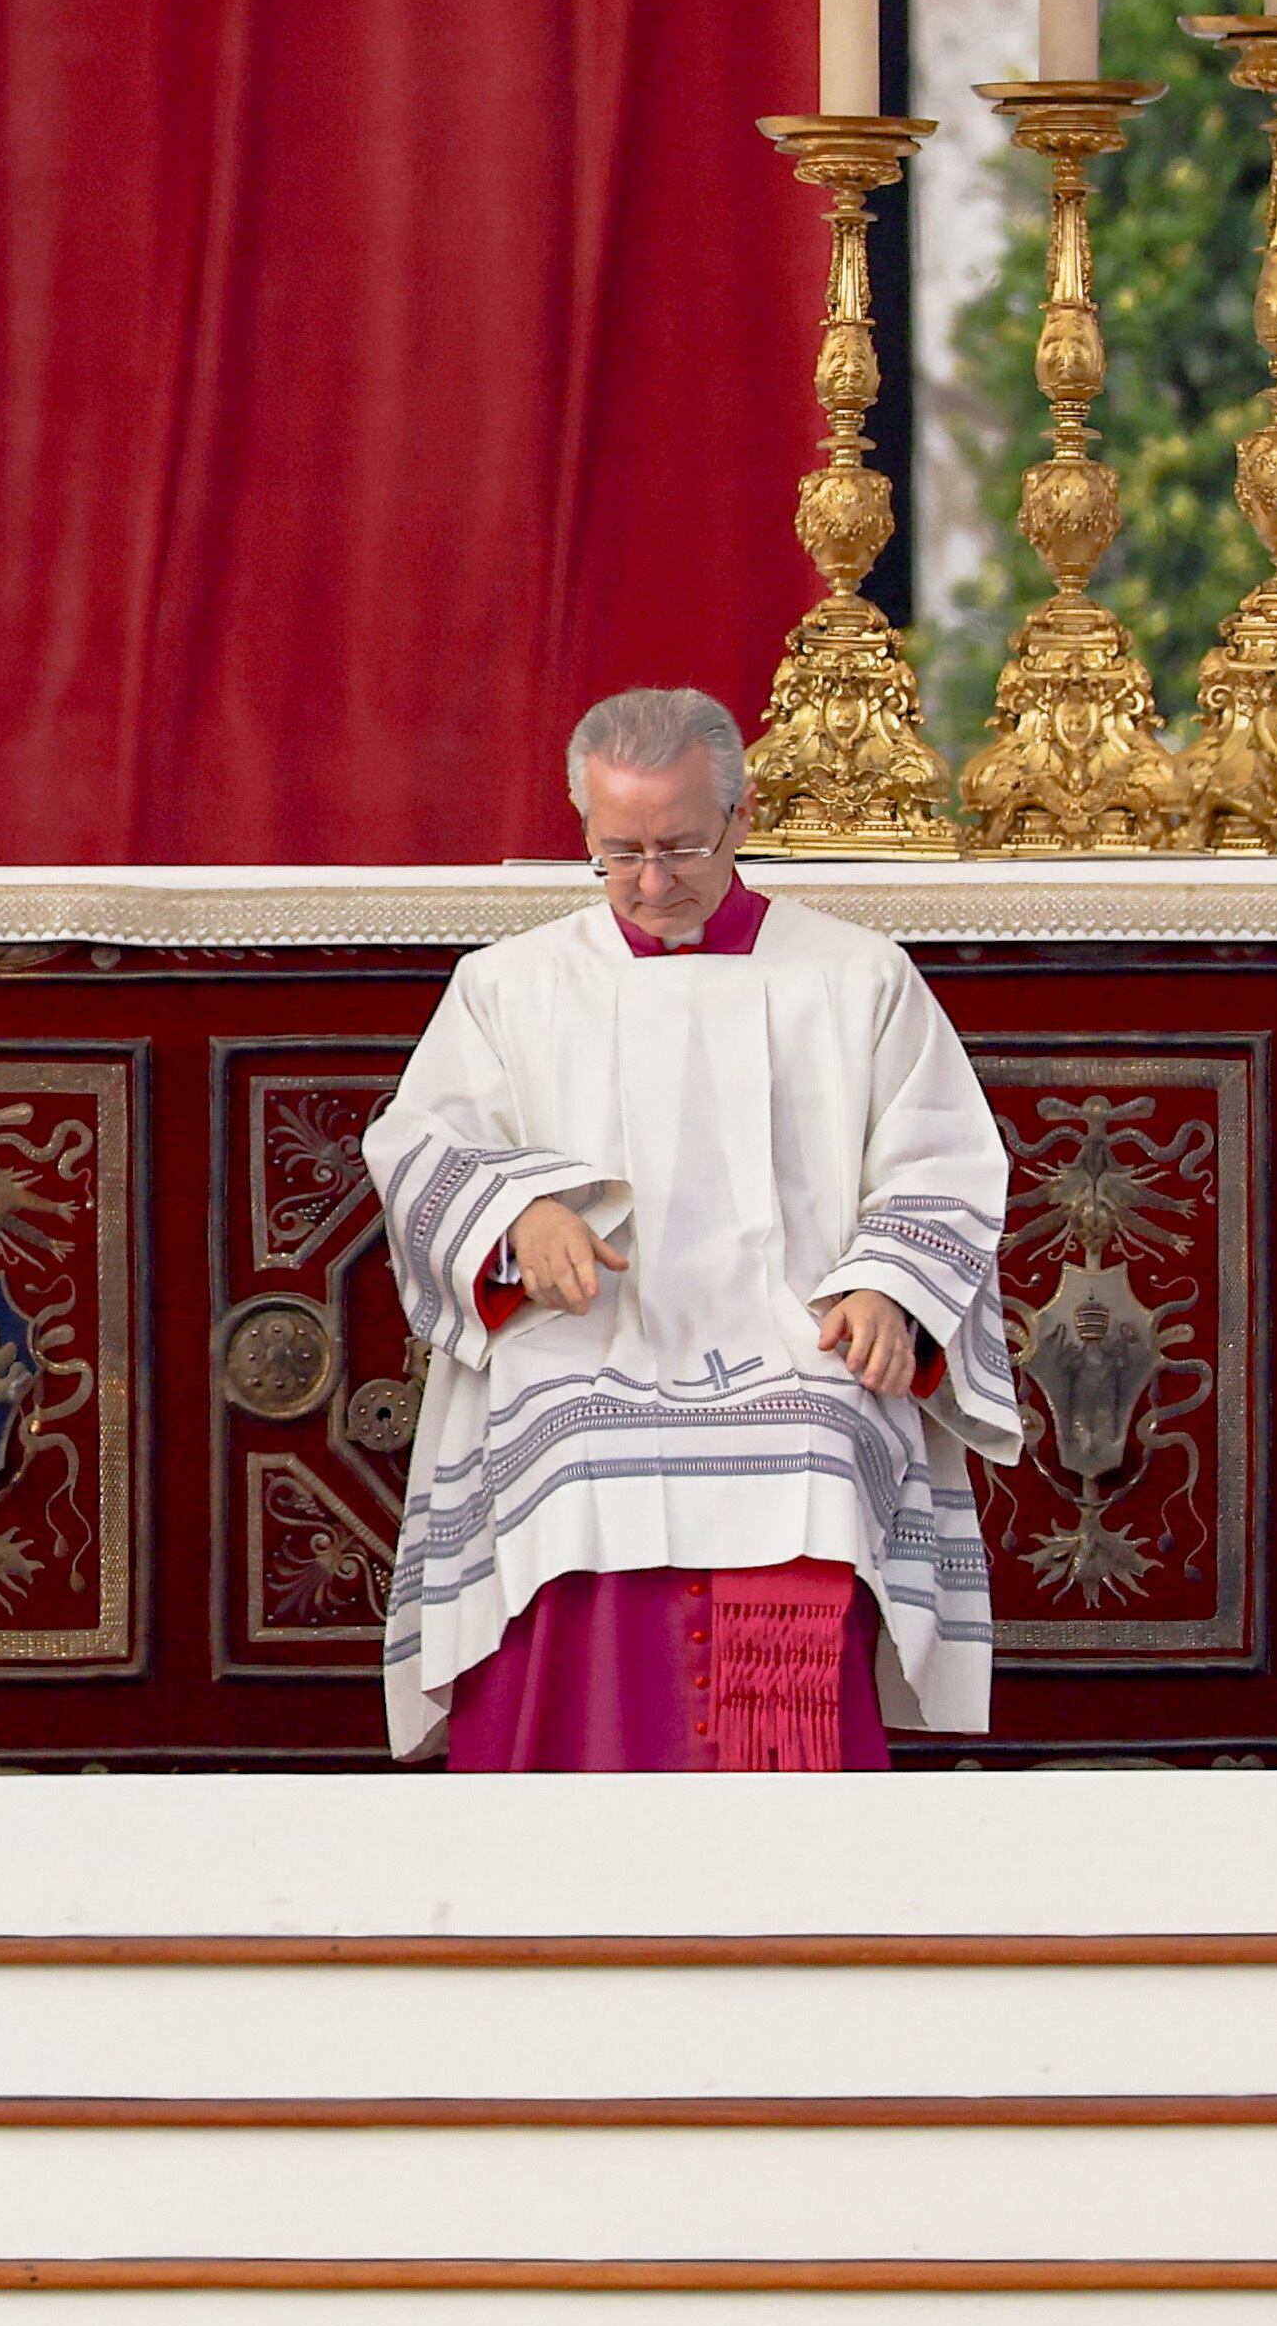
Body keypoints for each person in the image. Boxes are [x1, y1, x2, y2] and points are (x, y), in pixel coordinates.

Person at [367, 686, 1022, 1768]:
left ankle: (784, 1827)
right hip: (586, 1335)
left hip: (802, 1340)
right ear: (582, 829)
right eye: (618, 854)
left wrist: (889, 1289)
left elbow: (942, 1160)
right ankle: (561, 1812)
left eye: (681, 846)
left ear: (742, 817)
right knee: (568, 1444)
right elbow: (422, 1146)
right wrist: (517, 1213)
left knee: (818, 1443)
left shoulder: (857, 979)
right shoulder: (511, 987)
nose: (654, 883)